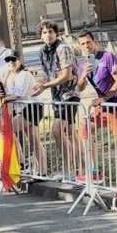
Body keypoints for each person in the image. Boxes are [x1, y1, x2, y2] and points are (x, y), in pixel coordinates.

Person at [33, 22, 80, 169]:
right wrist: (38, 86)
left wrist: (45, 86)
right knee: (71, 133)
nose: (48, 35)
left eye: (51, 31)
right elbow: (46, 75)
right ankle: (83, 169)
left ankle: (68, 169)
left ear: (56, 33)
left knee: (56, 130)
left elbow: (67, 75)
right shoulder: (42, 52)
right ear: (40, 36)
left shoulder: (63, 48)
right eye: (45, 32)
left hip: (69, 94)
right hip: (57, 97)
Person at [77, 29, 117, 150]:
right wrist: (83, 75)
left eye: (88, 42)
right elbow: (80, 88)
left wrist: (104, 98)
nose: (86, 46)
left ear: (94, 42)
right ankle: (93, 167)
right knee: (84, 131)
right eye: (83, 44)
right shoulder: (84, 64)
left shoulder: (107, 57)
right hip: (103, 107)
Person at [2, 51, 46, 172]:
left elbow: (19, 94)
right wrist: (6, 77)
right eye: (8, 61)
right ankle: (42, 171)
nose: (11, 63)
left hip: (32, 108)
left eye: (13, 60)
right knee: (34, 140)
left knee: (8, 129)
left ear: (19, 61)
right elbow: (6, 91)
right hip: (23, 109)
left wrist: (4, 99)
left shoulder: (24, 74)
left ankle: (22, 162)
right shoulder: (11, 76)